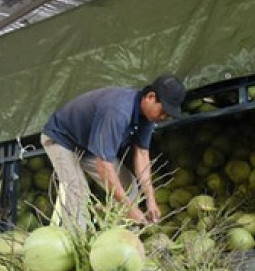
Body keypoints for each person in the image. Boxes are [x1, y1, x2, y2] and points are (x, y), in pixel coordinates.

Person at [41, 74, 186, 228]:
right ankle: (75, 245)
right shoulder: (118, 112)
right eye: (163, 111)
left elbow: (142, 154)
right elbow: (104, 166)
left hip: (87, 144)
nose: (164, 117)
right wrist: (130, 209)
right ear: (150, 97)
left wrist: (150, 198)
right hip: (61, 139)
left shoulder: (147, 117)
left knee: (128, 185)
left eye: (168, 115)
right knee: (78, 193)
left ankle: (124, 240)